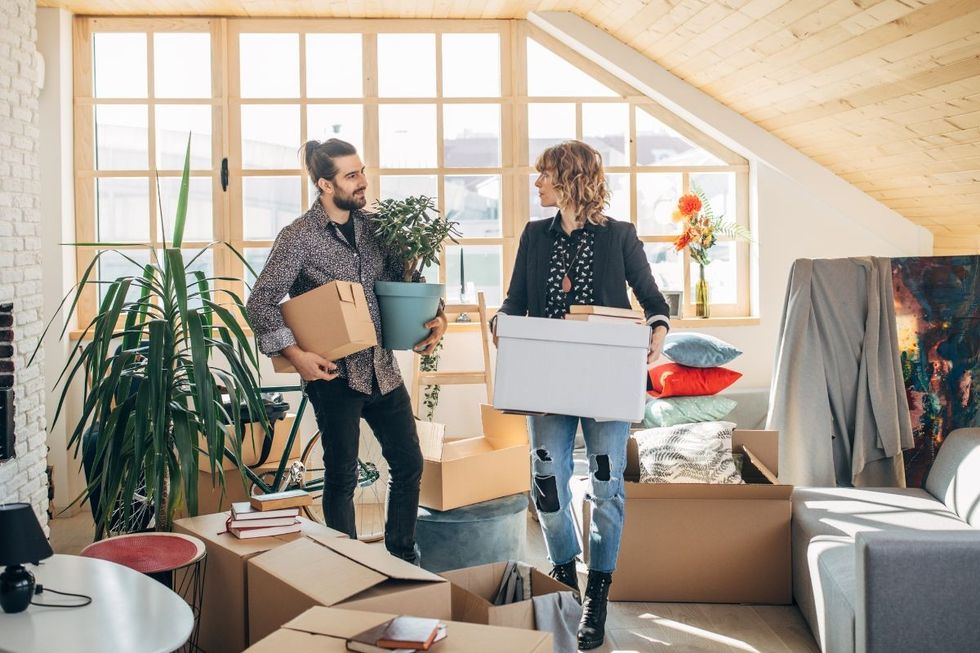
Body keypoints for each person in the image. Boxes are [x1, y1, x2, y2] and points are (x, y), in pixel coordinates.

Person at [494, 140, 670, 650]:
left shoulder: (619, 237)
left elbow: (653, 301)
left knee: (606, 485)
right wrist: (499, 324)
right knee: (546, 481)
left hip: (605, 381)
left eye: (543, 174)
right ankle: (565, 573)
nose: (536, 183)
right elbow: (515, 303)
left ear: (569, 178)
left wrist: (657, 332)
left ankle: (597, 592)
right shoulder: (534, 235)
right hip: (546, 380)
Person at [246, 138, 448, 564]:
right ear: (324, 184)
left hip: (381, 370)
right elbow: (260, 302)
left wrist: (439, 316)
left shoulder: (376, 229)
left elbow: (408, 280)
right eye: (351, 175)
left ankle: (400, 558)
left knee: (409, 464)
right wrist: (297, 356)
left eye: (362, 171)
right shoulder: (298, 238)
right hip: (333, 377)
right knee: (341, 478)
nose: (363, 182)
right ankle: (350, 569)